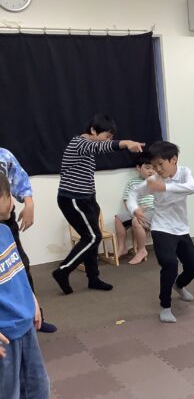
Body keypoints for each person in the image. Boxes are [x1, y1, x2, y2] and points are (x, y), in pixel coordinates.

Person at [0, 173, 64, 399]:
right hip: (4, 336)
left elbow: (19, 272)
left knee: (37, 387)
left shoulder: (5, 232)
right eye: (9, 197)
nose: (14, 203)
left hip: (25, 325)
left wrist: (33, 300)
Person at [52, 114, 144, 295]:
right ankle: (63, 270)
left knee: (92, 238)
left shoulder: (87, 147)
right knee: (93, 237)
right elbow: (101, 147)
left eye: (111, 137)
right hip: (72, 199)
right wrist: (126, 143)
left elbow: (87, 174)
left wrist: (93, 201)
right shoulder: (79, 143)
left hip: (87, 199)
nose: (108, 140)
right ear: (93, 130)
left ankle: (93, 278)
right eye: (107, 136)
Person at [126, 141, 194, 323]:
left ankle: (179, 285)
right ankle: (165, 306)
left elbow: (192, 188)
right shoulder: (153, 181)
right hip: (161, 227)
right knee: (169, 264)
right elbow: (132, 194)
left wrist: (165, 187)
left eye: (161, 164)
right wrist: (134, 209)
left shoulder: (184, 173)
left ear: (173, 160)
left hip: (181, 228)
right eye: (154, 166)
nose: (157, 170)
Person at [0, 147, 57, 333]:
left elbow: (20, 179)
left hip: (6, 220)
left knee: (19, 265)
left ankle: (34, 317)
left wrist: (29, 204)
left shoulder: (4, 155)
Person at [115, 152, 155, 265]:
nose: (151, 171)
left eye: (153, 168)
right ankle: (122, 247)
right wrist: (135, 209)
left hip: (152, 211)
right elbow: (127, 199)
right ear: (138, 168)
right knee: (118, 218)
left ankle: (142, 250)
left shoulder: (157, 181)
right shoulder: (132, 182)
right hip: (136, 210)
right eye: (147, 168)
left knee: (136, 221)